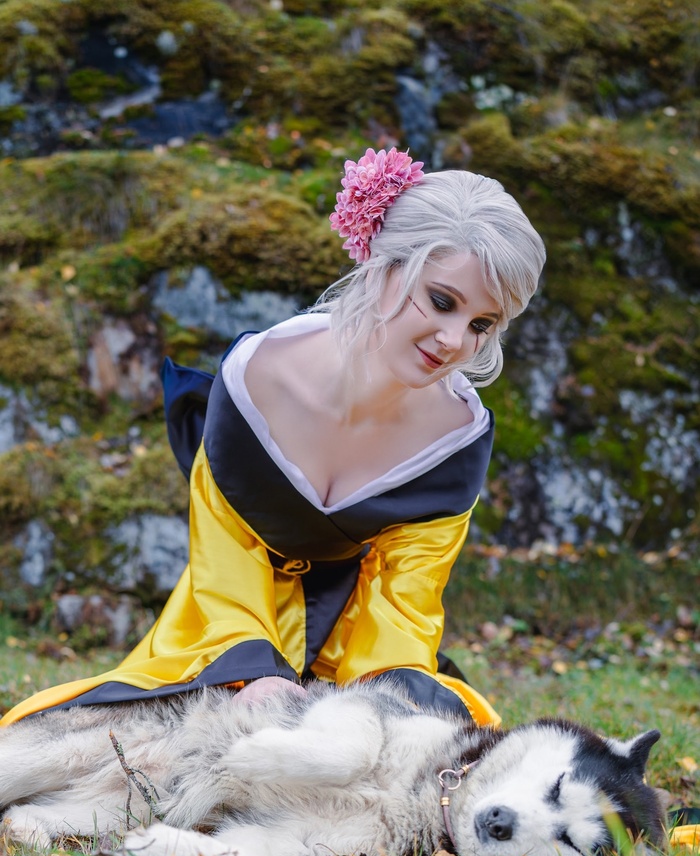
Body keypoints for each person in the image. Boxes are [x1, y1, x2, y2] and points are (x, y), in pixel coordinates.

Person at [0, 148, 546, 729]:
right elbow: (225, 549)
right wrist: (253, 671)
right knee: (101, 732)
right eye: (441, 301)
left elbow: (406, 599)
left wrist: (378, 703)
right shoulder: (257, 376)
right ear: (384, 266)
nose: (454, 341)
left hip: (360, 647)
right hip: (225, 626)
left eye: (480, 325)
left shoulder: (457, 436)